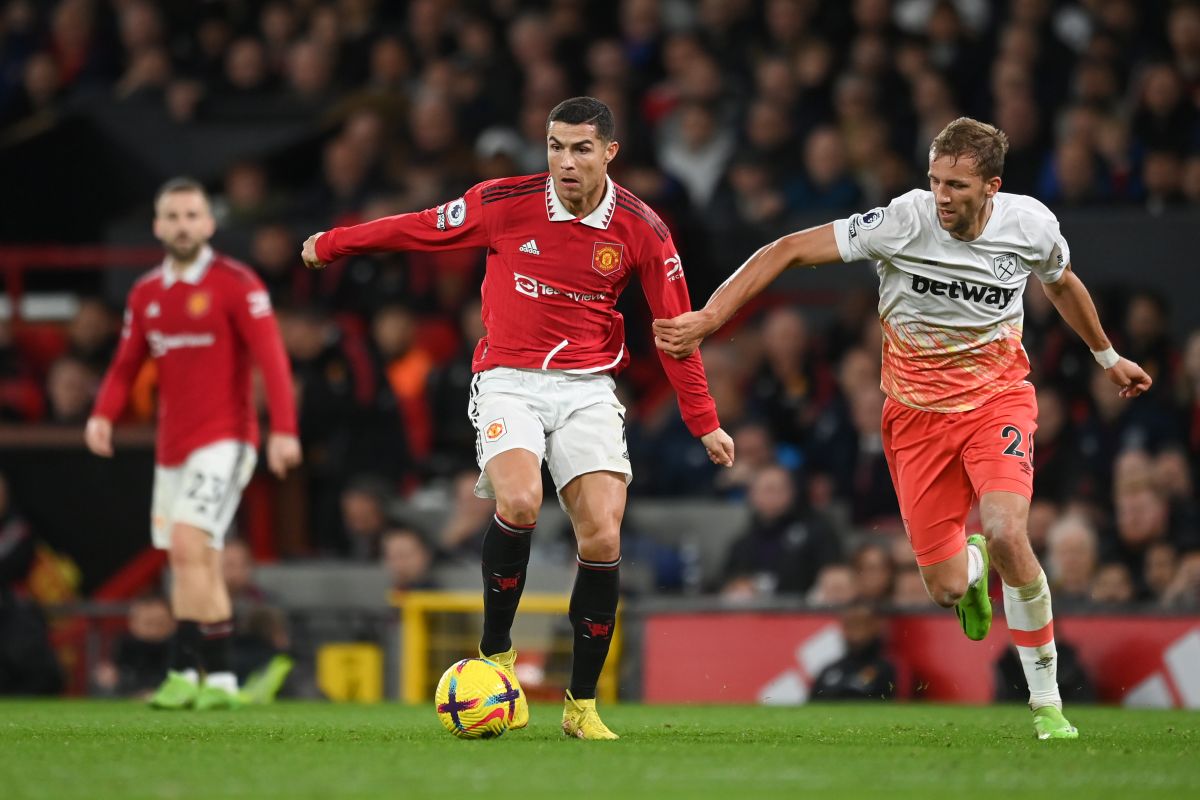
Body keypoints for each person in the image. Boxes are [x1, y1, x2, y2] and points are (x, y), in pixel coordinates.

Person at [653, 117, 1154, 740]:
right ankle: (969, 570)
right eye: (935, 180)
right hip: (914, 420)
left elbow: (1062, 283)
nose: (942, 196)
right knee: (945, 588)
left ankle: (1047, 703)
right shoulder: (902, 221)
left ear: (992, 187)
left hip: (997, 403)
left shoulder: (1031, 225)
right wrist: (708, 318)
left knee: (1006, 531)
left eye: (957, 185)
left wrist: (1108, 356)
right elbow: (786, 249)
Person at [302, 97, 734, 740]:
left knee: (603, 537)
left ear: (609, 153)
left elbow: (677, 334)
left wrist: (704, 421)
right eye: (556, 146)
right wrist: (334, 244)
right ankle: (497, 655)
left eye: (581, 148)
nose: (565, 160)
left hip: (588, 386)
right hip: (509, 378)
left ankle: (581, 706)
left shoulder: (645, 230)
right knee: (521, 498)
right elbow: (420, 227)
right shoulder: (506, 202)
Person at [86, 177, 302, 711]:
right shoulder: (145, 294)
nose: (183, 225)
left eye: (192, 215)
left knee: (187, 545)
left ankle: (188, 669)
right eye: (173, 216)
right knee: (190, 560)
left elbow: (273, 359)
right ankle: (216, 680)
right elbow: (125, 364)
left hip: (226, 439)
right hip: (172, 445)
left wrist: (284, 430)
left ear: (209, 224)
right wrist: (102, 415)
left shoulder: (237, 283)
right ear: (158, 226)